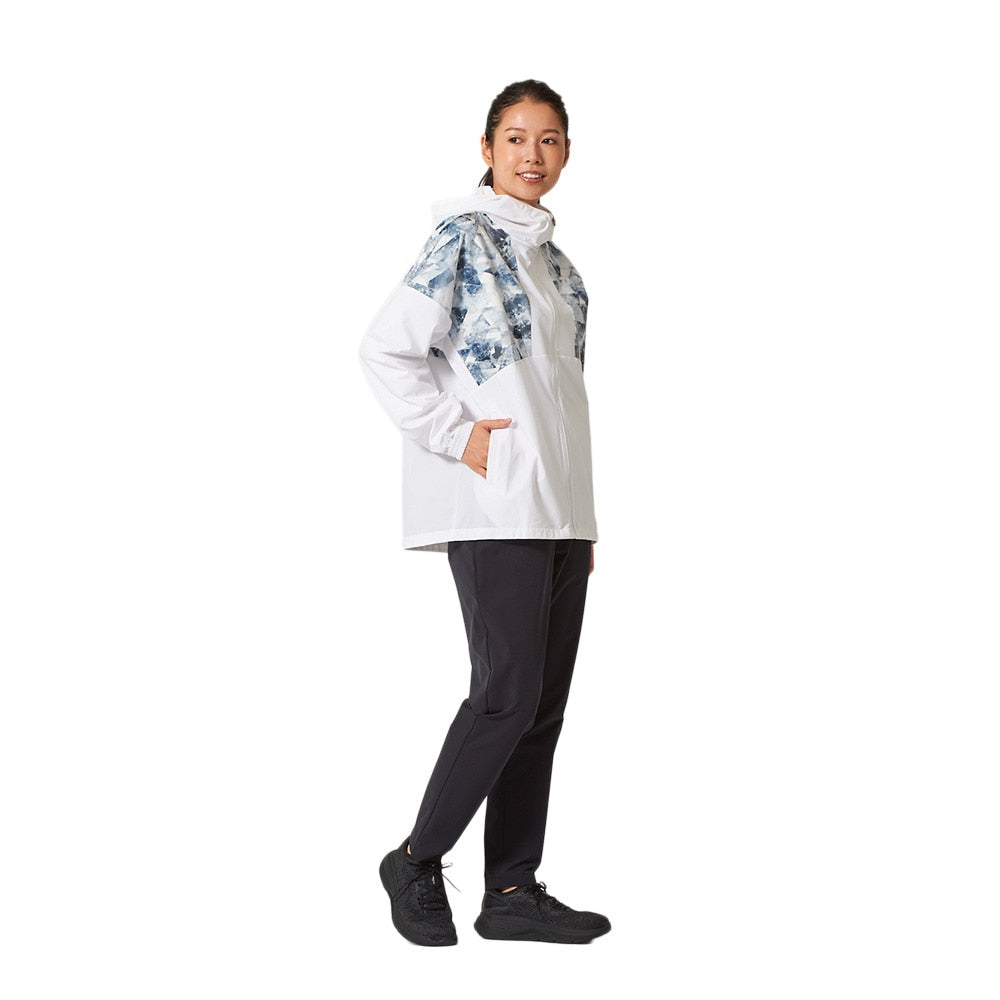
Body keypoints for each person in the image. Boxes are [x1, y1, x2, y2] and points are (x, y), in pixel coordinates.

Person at [359, 80, 610, 946]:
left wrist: (580, 520)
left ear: (566, 152)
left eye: (549, 139)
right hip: (496, 506)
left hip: (557, 517)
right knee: (505, 696)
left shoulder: (561, 269)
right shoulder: (461, 240)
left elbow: (562, 401)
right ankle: (415, 858)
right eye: (516, 138)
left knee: (542, 706)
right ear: (487, 148)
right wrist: (453, 433)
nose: (532, 155)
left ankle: (510, 889)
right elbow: (385, 348)